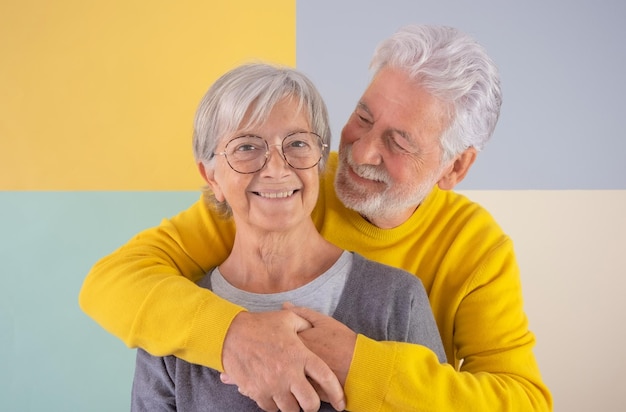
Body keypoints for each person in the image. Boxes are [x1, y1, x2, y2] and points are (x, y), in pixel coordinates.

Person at [80, 24, 553, 411]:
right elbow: (113, 282)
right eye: (363, 118)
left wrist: (362, 366)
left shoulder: (472, 251)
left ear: (455, 167)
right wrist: (233, 335)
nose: (361, 151)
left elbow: (525, 401)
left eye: (399, 141)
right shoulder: (281, 190)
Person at [130, 62, 446, 411]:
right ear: (212, 177)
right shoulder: (172, 329)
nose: (277, 168)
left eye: (297, 143)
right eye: (246, 147)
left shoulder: (398, 300)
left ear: (321, 161)